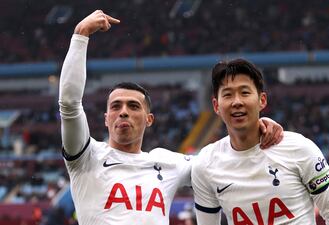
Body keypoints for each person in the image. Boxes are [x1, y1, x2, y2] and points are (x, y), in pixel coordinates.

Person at [59, 10, 283, 225]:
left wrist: (256, 126)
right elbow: (69, 105)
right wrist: (80, 36)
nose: (124, 111)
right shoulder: (86, 158)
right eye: (116, 106)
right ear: (106, 119)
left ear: (149, 119)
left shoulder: (169, 163)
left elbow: (221, 161)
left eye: (133, 106)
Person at [191, 59, 329, 225]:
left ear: (262, 100)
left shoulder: (299, 148)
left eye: (245, 93)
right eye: (228, 95)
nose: (237, 102)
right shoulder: (204, 164)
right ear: (216, 105)